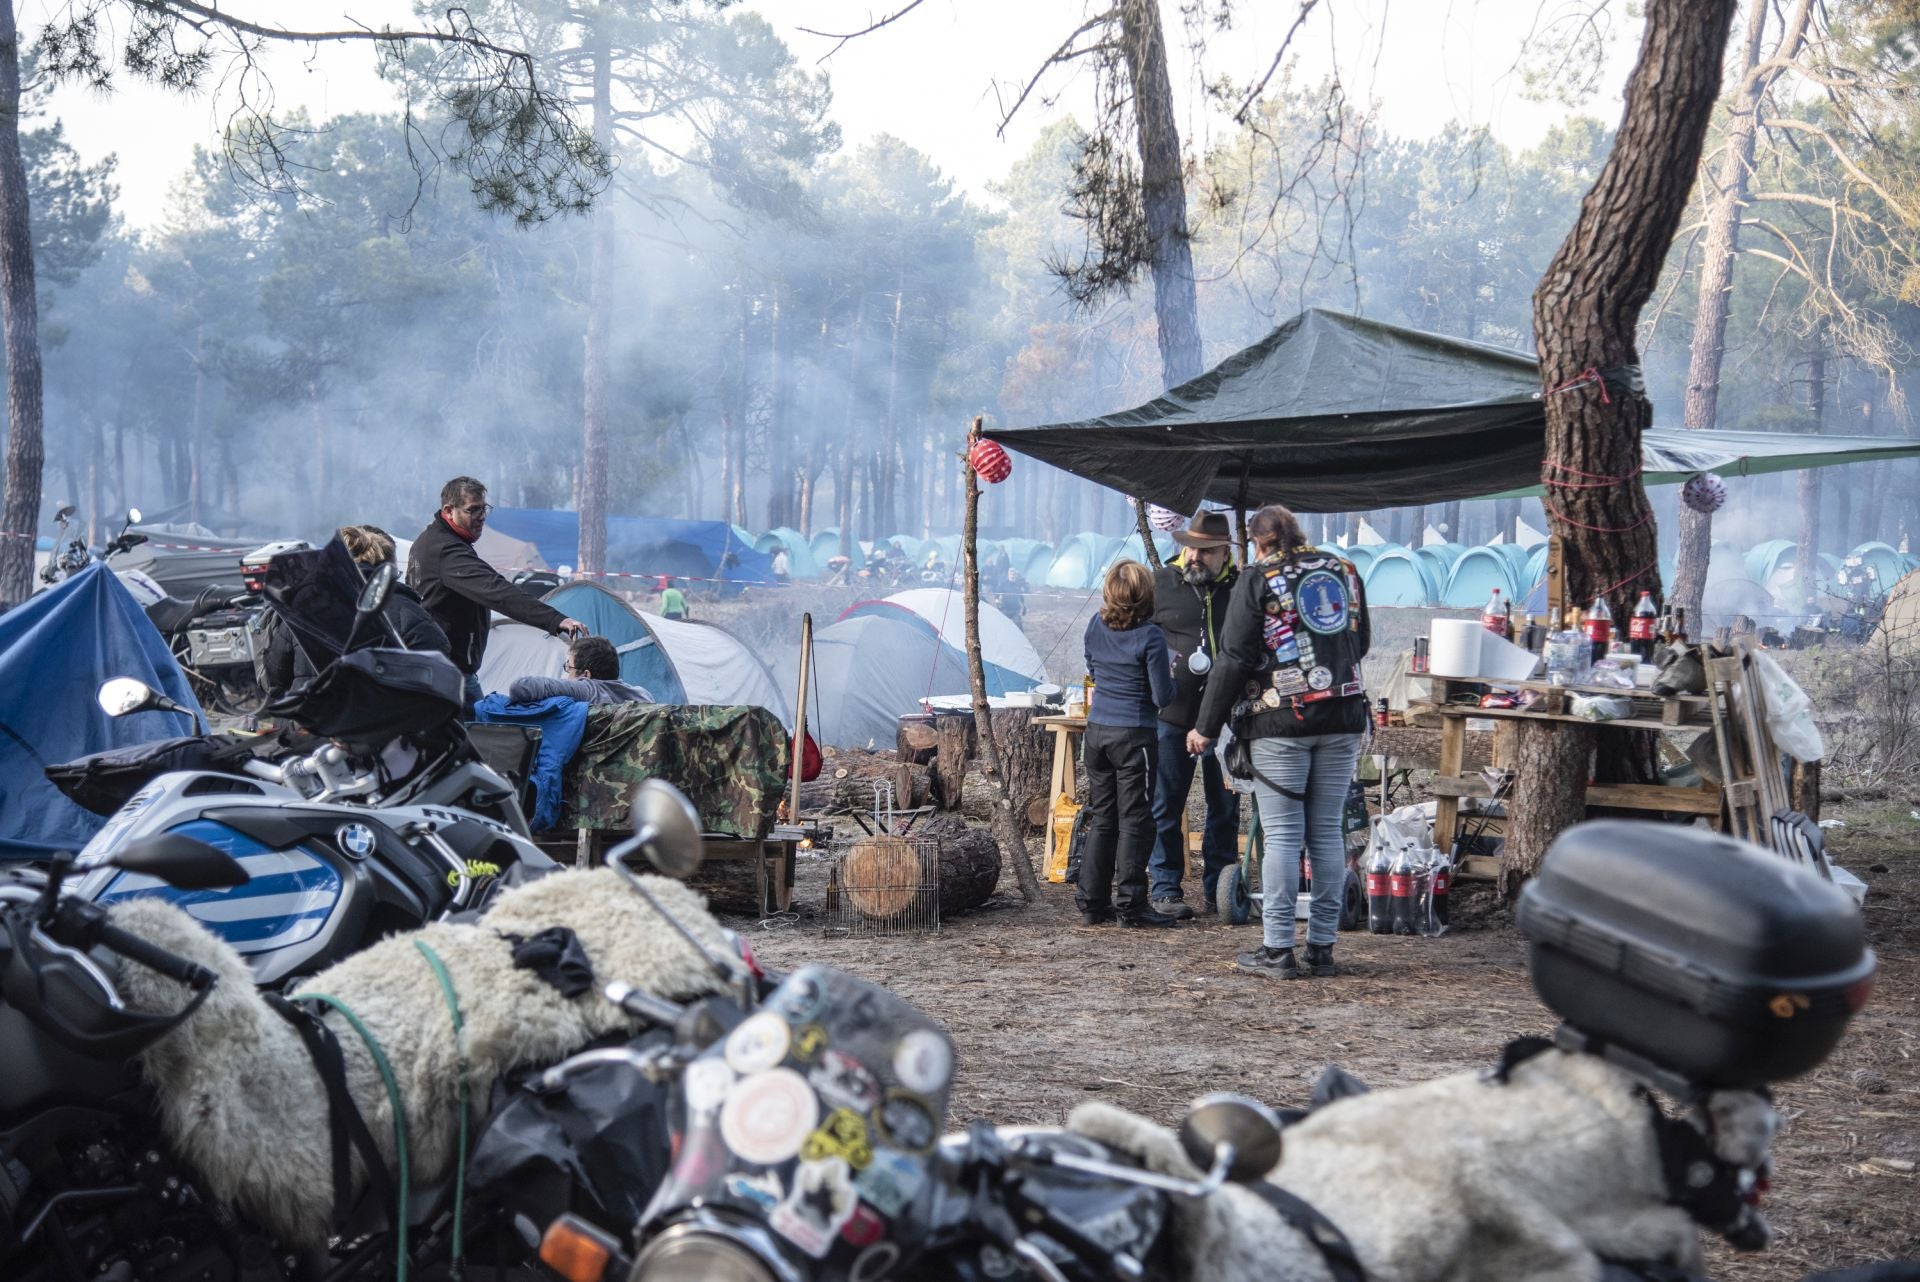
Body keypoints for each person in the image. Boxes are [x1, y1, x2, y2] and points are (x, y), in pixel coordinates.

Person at [1189, 505, 1370, 980]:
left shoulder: (1258, 578)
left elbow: (1233, 658)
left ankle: (1277, 950)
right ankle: (1322, 948)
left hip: (1280, 719)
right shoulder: (1343, 570)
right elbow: (1360, 641)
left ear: (1259, 542)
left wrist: (1205, 726)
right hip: (1344, 712)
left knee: (1285, 834)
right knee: (1327, 830)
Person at [409, 476, 586, 716]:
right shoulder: (445, 550)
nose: (481, 517)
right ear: (449, 511)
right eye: (473, 510)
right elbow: (499, 592)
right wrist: (557, 621)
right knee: (474, 744)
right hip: (449, 672)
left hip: (440, 667)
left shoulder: (434, 541)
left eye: (484, 509)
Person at [1146, 510, 1242, 920]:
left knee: (1225, 806)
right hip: (1172, 714)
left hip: (1227, 720)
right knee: (1166, 803)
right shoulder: (1161, 583)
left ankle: (1219, 887)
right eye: (1191, 549)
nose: (1196, 558)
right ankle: (1165, 888)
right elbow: (1136, 635)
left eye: (1206, 551)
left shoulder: (1242, 588)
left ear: (1225, 553)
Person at [1078, 559, 1180, 928]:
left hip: (1097, 732)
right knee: (1136, 819)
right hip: (1134, 735)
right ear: (1145, 596)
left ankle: (1092, 903)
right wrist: (1175, 674)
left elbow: (1092, 668)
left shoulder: (1094, 624)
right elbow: (1163, 696)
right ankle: (1131, 905)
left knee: (1103, 817)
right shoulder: (1150, 636)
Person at [262, 524, 451, 700]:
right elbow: (440, 670)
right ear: (387, 569)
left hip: (310, 725)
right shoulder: (407, 610)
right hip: (381, 729)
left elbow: (275, 677)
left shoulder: (304, 606)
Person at [507, 634, 654, 705]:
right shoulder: (643, 694)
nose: (567, 674)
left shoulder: (589, 689)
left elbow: (520, 687)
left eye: (569, 667)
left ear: (586, 675)